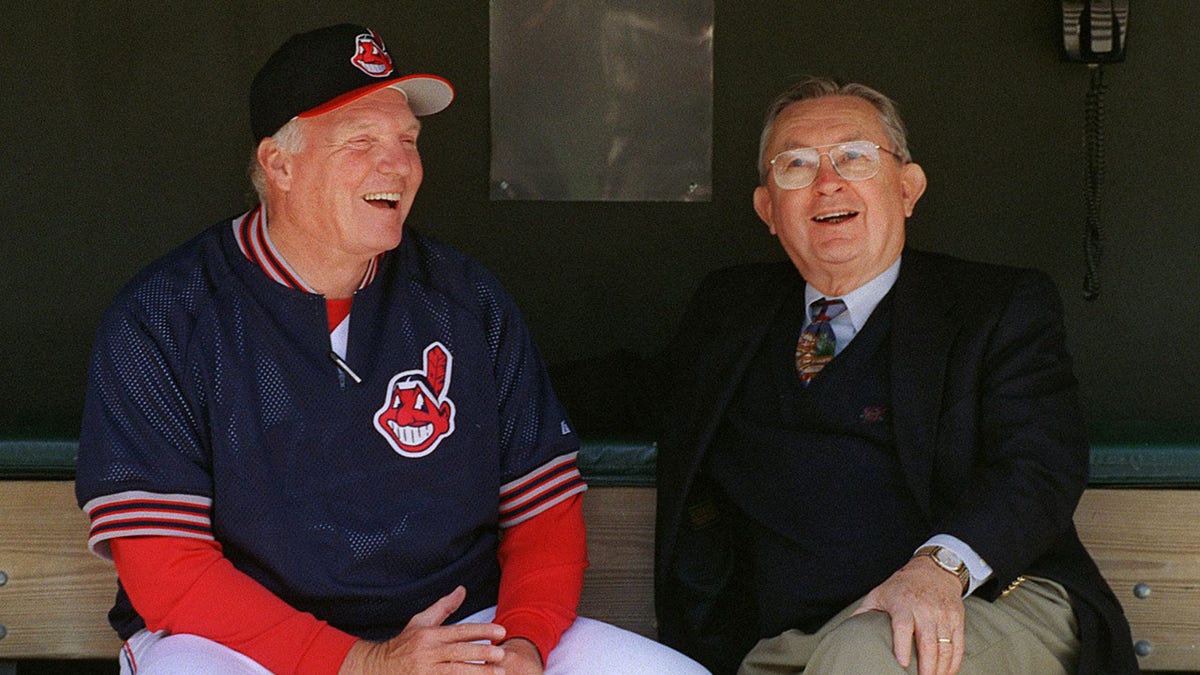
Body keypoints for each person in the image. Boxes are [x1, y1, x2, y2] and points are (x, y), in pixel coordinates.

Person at [75, 23, 707, 675]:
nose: (398, 164)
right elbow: (166, 568)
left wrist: (522, 642)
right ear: (279, 164)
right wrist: (362, 661)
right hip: (239, 642)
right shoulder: (166, 314)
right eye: (362, 141)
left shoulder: (465, 298)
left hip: (462, 629)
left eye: (407, 140)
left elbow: (542, 509)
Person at [652, 77, 1138, 675]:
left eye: (854, 156)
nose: (828, 181)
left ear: (907, 189)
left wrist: (938, 568)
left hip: (983, 598)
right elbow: (637, 386)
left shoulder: (995, 305)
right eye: (796, 165)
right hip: (792, 640)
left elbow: (1039, 463)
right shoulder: (728, 312)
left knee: (870, 655)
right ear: (768, 210)